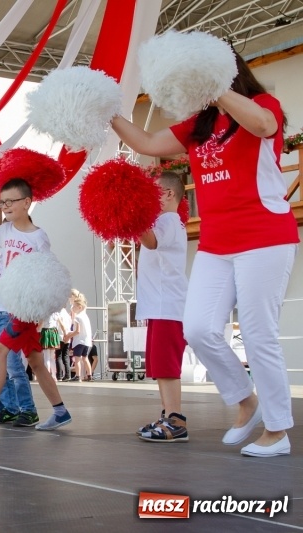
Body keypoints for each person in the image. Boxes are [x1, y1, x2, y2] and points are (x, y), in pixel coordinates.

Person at [111, 52, 298, 457]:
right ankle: (247, 401)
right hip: (217, 243)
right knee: (198, 329)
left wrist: (217, 88)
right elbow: (145, 142)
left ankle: (278, 431)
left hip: (264, 236)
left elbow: (265, 126)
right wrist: (106, 110)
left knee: (258, 332)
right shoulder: (198, 125)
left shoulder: (263, 107)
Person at [0, 178, 71, 431]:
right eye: (2, 201)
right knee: (36, 362)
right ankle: (60, 412)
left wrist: (39, 310)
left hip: (19, 310)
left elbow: (46, 275)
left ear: (27, 203)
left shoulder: (39, 237)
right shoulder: (5, 231)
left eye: (11, 201)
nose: (5, 205)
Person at [131, 172, 189, 442]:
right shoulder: (164, 220)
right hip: (159, 307)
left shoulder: (169, 220)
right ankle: (168, 415)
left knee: (167, 368)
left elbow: (151, 242)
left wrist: (133, 212)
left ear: (168, 194)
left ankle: (176, 421)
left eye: (154, 190)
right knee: (159, 368)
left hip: (168, 307)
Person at [66, 294, 92, 381]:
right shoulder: (85, 317)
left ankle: (78, 376)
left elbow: (77, 331)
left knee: (77, 359)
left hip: (79, 340)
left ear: (79, 307)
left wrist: (69, 335)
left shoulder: (78, 317)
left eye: (74, 306)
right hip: (87, 341)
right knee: (85, 358)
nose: (72, 308)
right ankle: (89, 375)